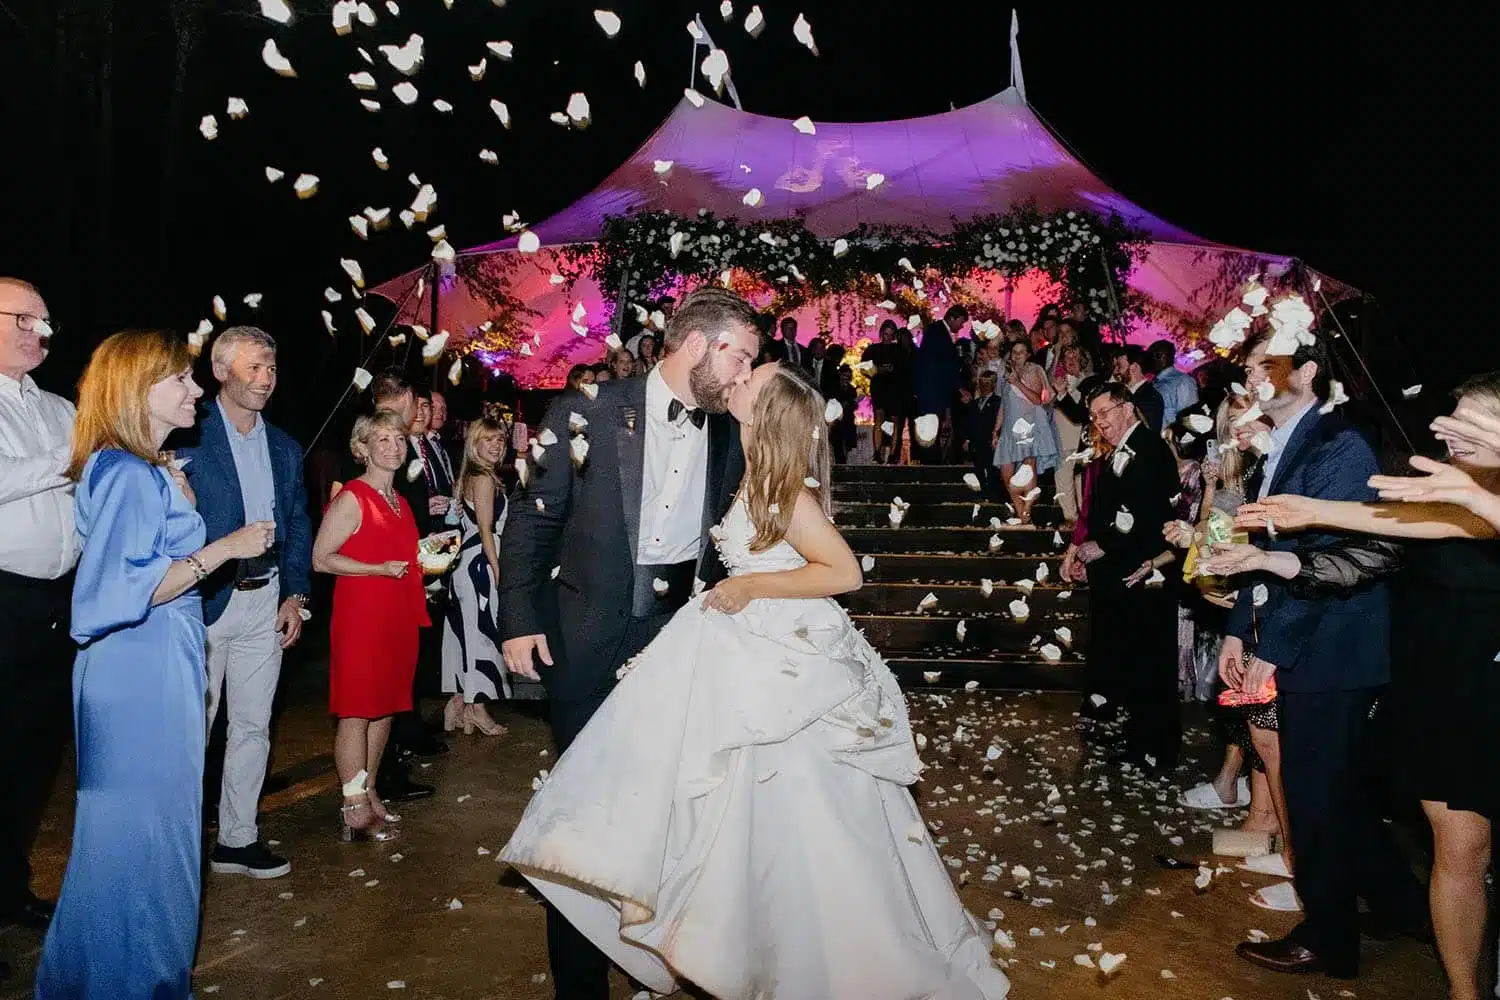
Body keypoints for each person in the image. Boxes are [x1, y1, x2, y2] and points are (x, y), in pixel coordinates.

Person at [500, 361, 1011, 1000]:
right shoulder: (749, 470)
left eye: (751, 376)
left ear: (765, 410)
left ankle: (814, 956)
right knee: (734, 816)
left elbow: (844, 572)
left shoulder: (780, 490)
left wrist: (749, 584)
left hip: (779, 663)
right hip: (734, 648)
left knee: (796, 812)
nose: (739, 377)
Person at [497, 286, 760, 1000]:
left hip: (679, 646)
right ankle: (580, 988)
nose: (743, 376)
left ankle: (651, 958)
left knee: (670, 815)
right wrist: (518, 616)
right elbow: (531, 520)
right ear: (700, 343)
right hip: (584, 638)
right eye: (740, 358)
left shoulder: (732, 431)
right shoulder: (588, 409)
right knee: (583, 820)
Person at [1230, 373, 1500, 1000]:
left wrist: (1315, 511)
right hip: (1441, 687)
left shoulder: (1473, 505)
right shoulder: (1446, 498)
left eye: (1473, 420)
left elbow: (1475, 525)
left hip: (1489, 679)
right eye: (1453, 414)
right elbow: (1377, 544)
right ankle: (1464, 992)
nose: (1451, 429)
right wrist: (1287, 539)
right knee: (1458, 848)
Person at [35, 330, 273, 998]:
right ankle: (139, 982)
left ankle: (102, 978)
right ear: (139, 388)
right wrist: (224, 547)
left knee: (136, 835)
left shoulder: (133, 467)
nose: (197, 390)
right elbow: (116, 591)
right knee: (147, 837)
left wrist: (182, 506)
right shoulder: (128, 473)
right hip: (138, 667)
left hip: (151, 658)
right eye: (182, 381)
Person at [1218, 329, 1426, 979]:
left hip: (1333, 644)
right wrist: (1234, 628)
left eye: (1263, 366)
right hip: (1294, 634)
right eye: (1246, 367)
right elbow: (1256, 551)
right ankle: (1399, 905)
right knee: (1338, 792)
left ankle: (1329, 938)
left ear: (1306, 373)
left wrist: (1272, 649)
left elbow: (1326, 559)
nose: (1248, 378)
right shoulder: (1271, 451)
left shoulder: (1339, 444)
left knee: (1312, 796)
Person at [176, 326, 311, 880]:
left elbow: (299, 522)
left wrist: (295, 595)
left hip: (266, 600)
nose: (265, 379)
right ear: (220, 371)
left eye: (272, 369)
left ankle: (237, 838)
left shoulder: (284, 446)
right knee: (193, 729)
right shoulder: (187, 435)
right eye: (254, 367)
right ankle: (179, 844)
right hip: (205, 601)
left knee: (253, 727)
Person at [0, 281, 75, 981]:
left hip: (58, 601)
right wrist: (69, 460)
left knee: (32, 757)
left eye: (46, 322)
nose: (40, 333)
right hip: (2, 598)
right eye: (25, 320)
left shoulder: (58, 408)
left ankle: (9, 886)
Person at [313, 410, 432, 844]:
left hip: (398, 615)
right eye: (382, 440)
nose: (394, 447)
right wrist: (378, 568)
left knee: (386, 707)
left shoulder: (399, 500)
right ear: (362, 448)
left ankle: (370, 790)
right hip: (363, 615)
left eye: (399, 439)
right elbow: (321, 558)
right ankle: (352, 804)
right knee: (357, 710)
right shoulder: (355, 497)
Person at [1061, 382, 1181, 769]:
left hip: (1145, 575)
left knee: (1151, 663)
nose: (1100, 423)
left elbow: (1147, 517)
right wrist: (1089, 546)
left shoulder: (1147, 448)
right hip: (1123, 574)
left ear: (1127, 408)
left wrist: (1104, 545)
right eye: (1094, 417)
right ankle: (1140, 743)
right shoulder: (1124, 450)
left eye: (1105, 413)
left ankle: (1155, 749)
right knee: (1134, 661)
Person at [441, 418, 533, 738]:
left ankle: (457, 705)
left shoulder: (474, 475)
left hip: (467, 563)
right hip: (480, 563)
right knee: (482, 635)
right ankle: (477, 708)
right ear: (475, 444)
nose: (495, 445)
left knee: (464, 634)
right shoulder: (482, 479)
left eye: (499, 439)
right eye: (487, 440)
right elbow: (485, 530)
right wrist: (497, 568)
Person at [992, 340, 1061, 524]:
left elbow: (1038, 400)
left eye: (1021, 352)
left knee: (1027, 471)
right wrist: (996, 430)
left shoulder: (1034, 370)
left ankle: (1026, 513)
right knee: (1006, 473)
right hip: (1008, 429)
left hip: (1028, 427)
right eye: (1014, 352)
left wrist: (1018, 383)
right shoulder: (1007, 374)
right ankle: (1020, 510)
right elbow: (1003, 405)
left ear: (1028, 354)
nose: (1017, 355)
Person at [914, 306, 967, 463]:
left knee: (932, 428)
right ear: (952, 318)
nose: (962, 326)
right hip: (932, 390)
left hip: (932, 389)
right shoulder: (938, 333)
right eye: (961, 322)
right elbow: (945, 365)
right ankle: (931, 464)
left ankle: (931, 461)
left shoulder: (936, 331)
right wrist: (960, 387)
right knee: (931, 427)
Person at [865, 320, 905, 464]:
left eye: (891, 334)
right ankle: (877, 452)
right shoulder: (873, 350)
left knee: (895, 421)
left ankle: (893, 454)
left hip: (895, 390)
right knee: (879, 418)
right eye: (885, 334)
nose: (888, 337)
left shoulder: (899, 350)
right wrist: (878, 370)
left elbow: (904, 370)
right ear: (881, 333)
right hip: (879, 388)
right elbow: (865, 368)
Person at [960, 370, 1003, 498]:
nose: (984, 386)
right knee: (978, 469)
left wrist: (997, 437)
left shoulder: (998, 402)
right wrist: (967, 439)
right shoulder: (975, 402)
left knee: (992, 470)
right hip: (976, 442)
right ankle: (982, 494)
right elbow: (970, 422)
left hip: (990, 442)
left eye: (987, 383)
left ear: (994, 384)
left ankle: (993, 496)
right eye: (982, 383)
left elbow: (999, 422)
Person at [1112, 345, 1165, 432]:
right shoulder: (1122, 392)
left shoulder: (1150, 398)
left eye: (1119, 366)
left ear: (1134, 367)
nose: (1115, 371)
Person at [1148, 339, 1199, 428]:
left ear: (1165, 356)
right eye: (1149, 356)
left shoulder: (1183, 381)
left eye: (1156, 355)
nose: (1150, 360)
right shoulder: (1153, 382)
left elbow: (1190, 418)